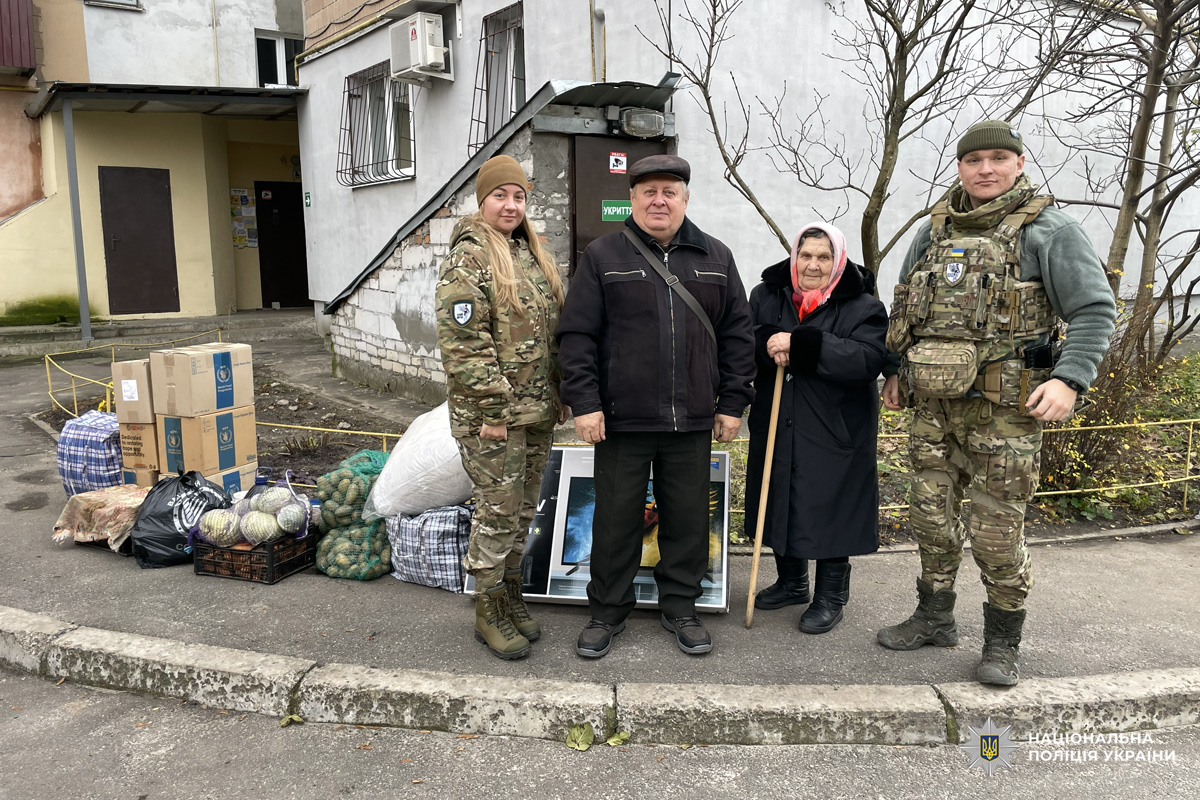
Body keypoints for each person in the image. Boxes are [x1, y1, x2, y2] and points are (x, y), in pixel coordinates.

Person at [876, 120, 1117, 685]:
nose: (985, 169)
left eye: (997, 159)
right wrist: (894, 370)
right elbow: (905, 307)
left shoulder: (1048, 229)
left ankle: (1002, 642)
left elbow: (1094, 309)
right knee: (930, 517)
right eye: (973, 159)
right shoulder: (934, 230)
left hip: (1005, 414)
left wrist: (1069, 380)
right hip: (931, 408)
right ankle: (934, 619)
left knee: (995, 529)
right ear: (959, 167)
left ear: (1020, 163)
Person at [556, 154, 755, 658]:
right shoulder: (602, 256)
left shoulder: (717, 257)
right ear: (633, 199)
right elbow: (577, 336)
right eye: (649, 192)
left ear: (685, 199)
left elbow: (738, 336)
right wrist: (584, 402)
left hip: (691, 421)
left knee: (688, 520)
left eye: (670, 191)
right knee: (616, 521)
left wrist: (732, 403)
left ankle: (681, 608)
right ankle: (606, 611)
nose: (659, 200)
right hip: (620, 419)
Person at [435, 154, 566, 660]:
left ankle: (510, 594)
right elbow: (464, 347)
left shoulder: (529, 254)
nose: (510, 205)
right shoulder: (468, 259)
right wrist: (493, 411)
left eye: (519, 197)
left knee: (523, 509)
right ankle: (486, 609)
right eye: (500, 196)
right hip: (494, 420)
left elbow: (547, 336)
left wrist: (559, 393)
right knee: (496, 511)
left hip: (535, 412)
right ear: (482, 200)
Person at [744, 222, 887, 634]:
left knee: (830, 504)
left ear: (838, 261)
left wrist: (801, 344)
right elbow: (744, 338)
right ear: (794, 256)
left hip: (835, 426)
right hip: (777, 416)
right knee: (781, 496)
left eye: (823, 257)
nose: (812, 264)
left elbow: (866, 360)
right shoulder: (768, 296)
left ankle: (830, 595)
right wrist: (769, 339)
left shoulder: (863, 307)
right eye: (805, 255)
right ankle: (792, 583)